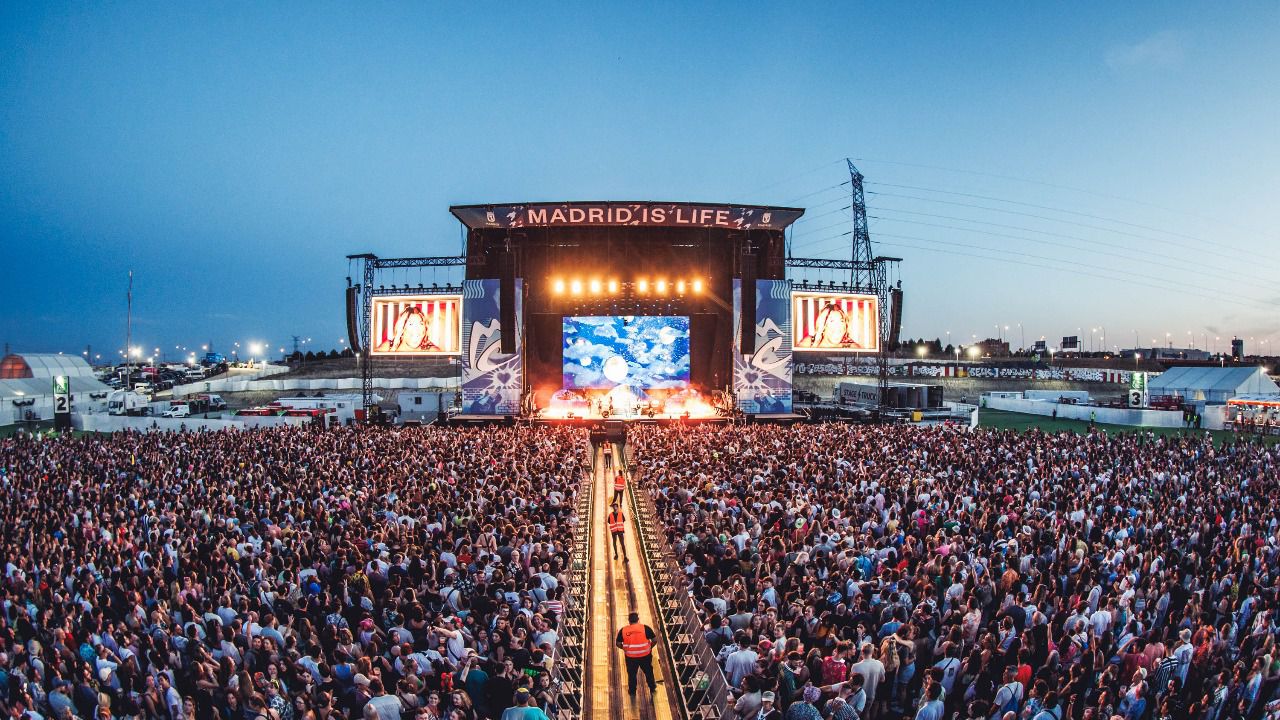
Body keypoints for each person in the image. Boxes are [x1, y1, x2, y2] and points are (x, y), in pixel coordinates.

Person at [615, 612, 659, 699]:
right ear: (638, 619)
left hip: (631, 657)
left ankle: (632, 691)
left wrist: (625, 648)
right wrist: (649, 647)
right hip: (645, 655)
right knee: (648, 672)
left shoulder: (623, 630)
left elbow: (618, 643)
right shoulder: (645, 628)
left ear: (629, 621)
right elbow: (654, 640)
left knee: (632, 674)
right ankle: (652, 687)